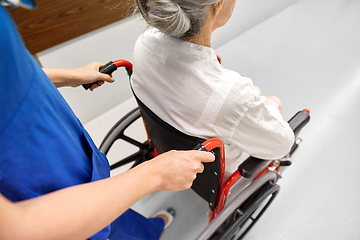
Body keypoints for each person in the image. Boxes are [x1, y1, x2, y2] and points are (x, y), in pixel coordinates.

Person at [0, 3, 215, 240]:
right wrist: (155, 174)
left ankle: (143, 232)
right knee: (89, 221)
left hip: (54, 129)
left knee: (105, 199)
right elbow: (21, 230)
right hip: (26, 174)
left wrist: (70, 76)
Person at [131, 0, 295, 179]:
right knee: (271, 101)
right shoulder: (233, 95)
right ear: (219, 5)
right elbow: (282, 144)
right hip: (216, 169)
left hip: (166, 141)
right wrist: (271, 106)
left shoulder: (144, 42)